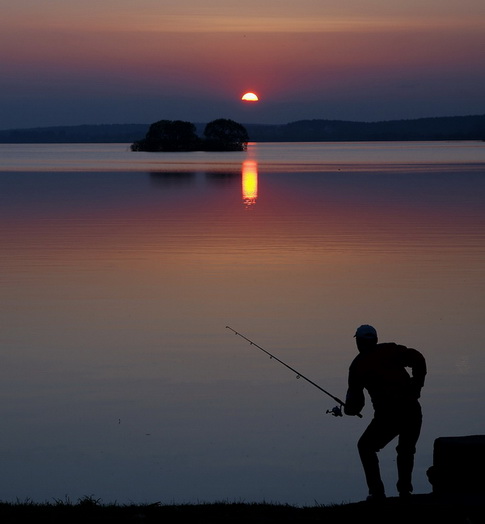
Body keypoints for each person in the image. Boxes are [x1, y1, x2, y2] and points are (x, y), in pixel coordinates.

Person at [344, 324, 427, 501]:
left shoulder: (357, 366)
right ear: (375, 340)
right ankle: (405, 492)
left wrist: (348, 409)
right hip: (412, 410)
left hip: (388, 416)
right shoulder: (391, 350)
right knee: (406, 450)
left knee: (365, 447)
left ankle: (377, 493)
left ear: (358, 342)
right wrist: (417, 384)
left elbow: (356, 405)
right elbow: (418, 359)